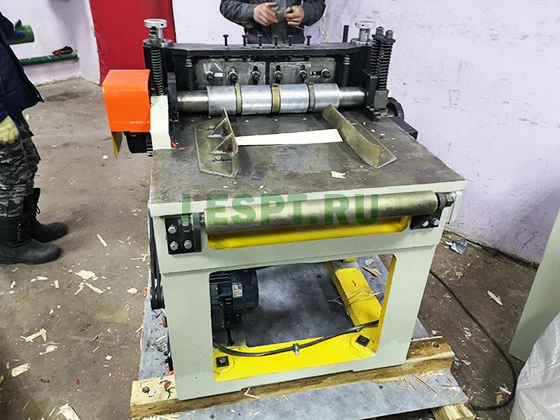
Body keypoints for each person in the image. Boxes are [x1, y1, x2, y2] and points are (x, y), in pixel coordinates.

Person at [0, 11, 68, 265]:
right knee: (11, 174)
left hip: (8, 104)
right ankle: (10, 244)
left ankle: (26, 227)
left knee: (28, 162)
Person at [220, 0, 326, 45]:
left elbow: (317, 3)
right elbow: (227, 5)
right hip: (256, 52)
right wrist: (253, 11)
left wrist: (305, 12)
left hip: (295, 51)